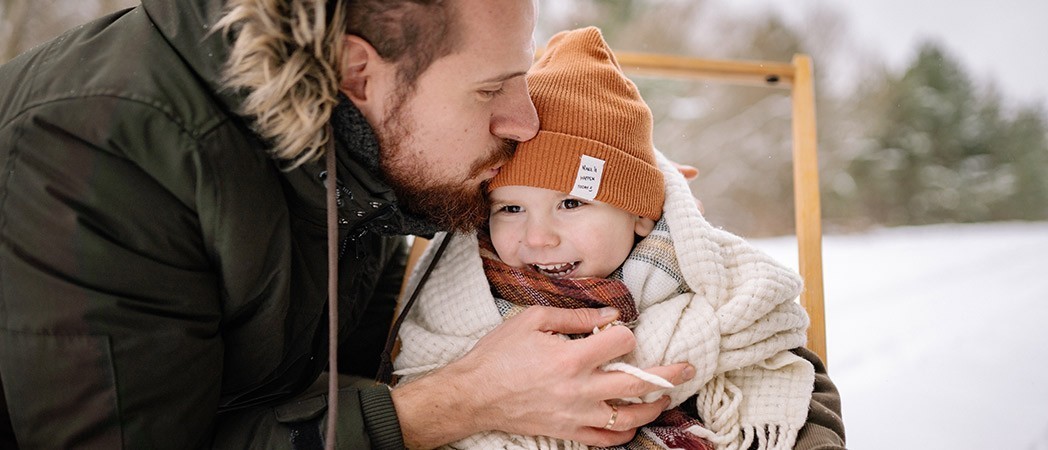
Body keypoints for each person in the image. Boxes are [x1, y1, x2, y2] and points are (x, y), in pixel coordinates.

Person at [0, 0, 700, 449]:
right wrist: (455, 404)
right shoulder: (97, 149)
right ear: (356, 71)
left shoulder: (364, 147)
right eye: (491, 88)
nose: (523, 122)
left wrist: (643, 208)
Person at [392, 27, 846, 449]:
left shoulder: (710, 284)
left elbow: (787, 381)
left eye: (571, 204)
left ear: (641, 216)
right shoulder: (459, 298)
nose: (538, 236)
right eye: (510, 208)